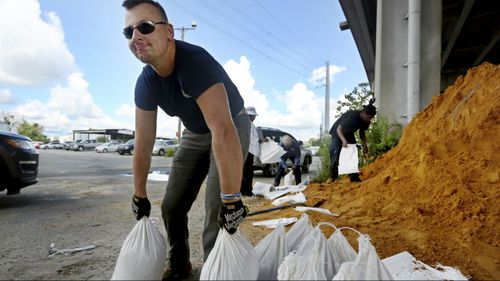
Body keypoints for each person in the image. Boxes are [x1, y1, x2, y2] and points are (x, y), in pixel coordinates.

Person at [122, 1, 251, 280]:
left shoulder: (195, 63)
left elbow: (223, 129)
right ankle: (179, 264)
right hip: (195, 132)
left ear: (169, 32)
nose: (136, 37)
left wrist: (232, 199)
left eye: (144, 27)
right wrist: (139, 193)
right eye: (128, 32)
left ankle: (216, 273)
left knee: (218, 208)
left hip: (230, 123)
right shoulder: (145, 83)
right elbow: (143, 143)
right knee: (171, 206)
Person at [328, 98, 377, 183]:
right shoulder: (352, 117)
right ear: (364, 114)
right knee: (335, 151)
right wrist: (343, 140)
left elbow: (362, 132)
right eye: (369, 118)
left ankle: (354, 177)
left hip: (349, 133)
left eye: (371, 118)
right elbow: (339, 129)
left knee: (352, 152)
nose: (369, 120)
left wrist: (365, 145)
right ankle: (332, 177)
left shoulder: (366, 120)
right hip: (337, 132)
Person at [240, 106, 265, 196]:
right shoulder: (247, 124)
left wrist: (260, 139)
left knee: (246, 171)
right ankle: (247, 191)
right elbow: (250, 138)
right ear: (249, 115)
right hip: (248, 151)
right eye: (253, 116)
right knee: (247, 172)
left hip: (249, 151)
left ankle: (244, 190)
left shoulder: (250, 124)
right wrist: (260, 140)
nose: (254, 118)